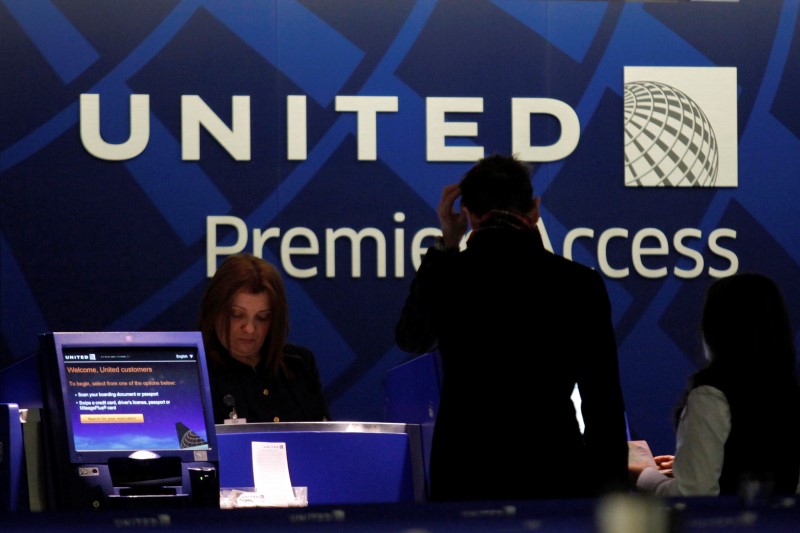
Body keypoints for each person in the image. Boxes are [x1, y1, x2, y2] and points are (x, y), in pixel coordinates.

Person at [395, 154, 629, 501]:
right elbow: (603, 402)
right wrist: (609, 495)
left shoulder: (449, 276)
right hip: (553, 472)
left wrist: (447, 242)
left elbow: (410, 337)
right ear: (534, 209)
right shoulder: (578, 284)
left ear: (468, 215)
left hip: (465, 476)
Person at [630, 273, 800, 497]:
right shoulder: (789, 392)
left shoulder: (710, 396)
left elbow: (692, 494)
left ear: (715, 328)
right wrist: (690, 465)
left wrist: (643, 474)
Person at [199, 253, 330, 424]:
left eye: (262, 317)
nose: (249, 329)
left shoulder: (299, 364)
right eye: (237, 315)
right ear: (214, 310)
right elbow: (188, 447)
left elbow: (323, 438)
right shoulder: (193, 371)